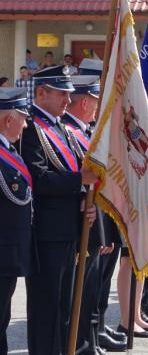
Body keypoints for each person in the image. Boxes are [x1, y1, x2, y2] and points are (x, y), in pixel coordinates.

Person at [18, 66, 97, 355]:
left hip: (69, 230)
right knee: (46, 306)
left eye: (68, 93)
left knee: (65, 304)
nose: (68, 99)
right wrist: (80, 181)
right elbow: (38, 179)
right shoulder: (31, 129)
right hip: (46, 233)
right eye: (62, 93)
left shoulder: (61, 127)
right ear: (42, 93)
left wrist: (83, 204)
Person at [61, 75, 127, 354]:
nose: (99, 108)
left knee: (92, 288)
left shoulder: (86, 132)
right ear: (86, 101)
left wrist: (106, 231)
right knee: (82, 290)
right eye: (97, 101)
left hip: (97, 221)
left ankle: (91, 338)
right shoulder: (69, 132)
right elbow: (82, 185)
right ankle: (84, 341)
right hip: (81, 222)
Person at [0, 88, 32, 355]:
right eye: (22, 118)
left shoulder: (9, 150)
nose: (25, 124)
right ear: (9, 120)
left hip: (8, 254)